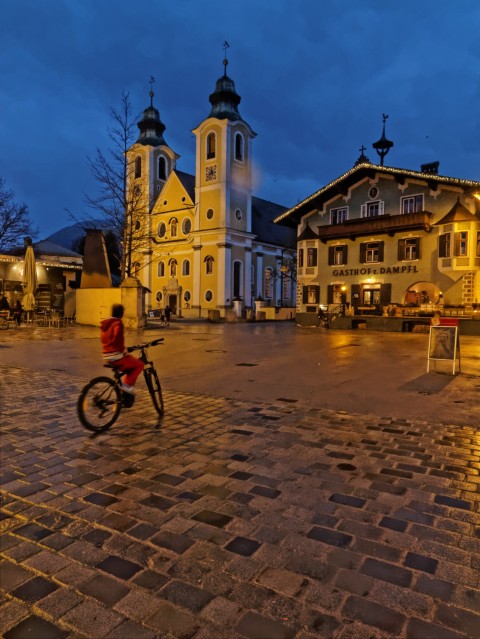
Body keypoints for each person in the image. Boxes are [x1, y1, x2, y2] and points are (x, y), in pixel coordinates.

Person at [100, 304, 144, 407]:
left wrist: (120, 348)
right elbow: (116, 338)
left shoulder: (106, 323)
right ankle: (126, 390)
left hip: (106, 354)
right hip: (116, 355)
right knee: (139, 365)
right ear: (121, 314)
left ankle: (124, 389)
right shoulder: (117, 323)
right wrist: (123, 350)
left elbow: (106, 339)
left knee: (129, 365)